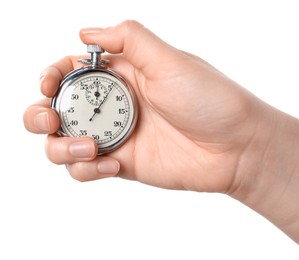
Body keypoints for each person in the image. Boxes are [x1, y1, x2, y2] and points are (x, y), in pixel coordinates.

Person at [23, 20, 299, 243]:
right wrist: (252, 153)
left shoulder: (123, 87)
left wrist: (250, 148)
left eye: (103, 104)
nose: (96, 110)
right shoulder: (94, 86)